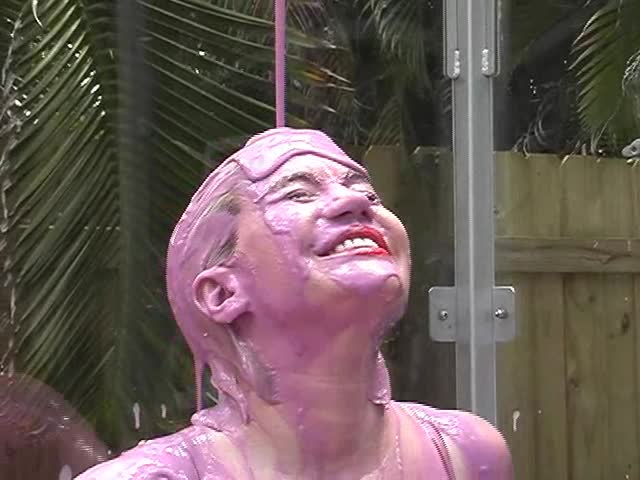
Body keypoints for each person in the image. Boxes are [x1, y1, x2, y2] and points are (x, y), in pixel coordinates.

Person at [76, 128, 512, 479]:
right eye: (298, 194)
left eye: (368, 194)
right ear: (223, 293)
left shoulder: (465, 454)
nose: (356, 202)